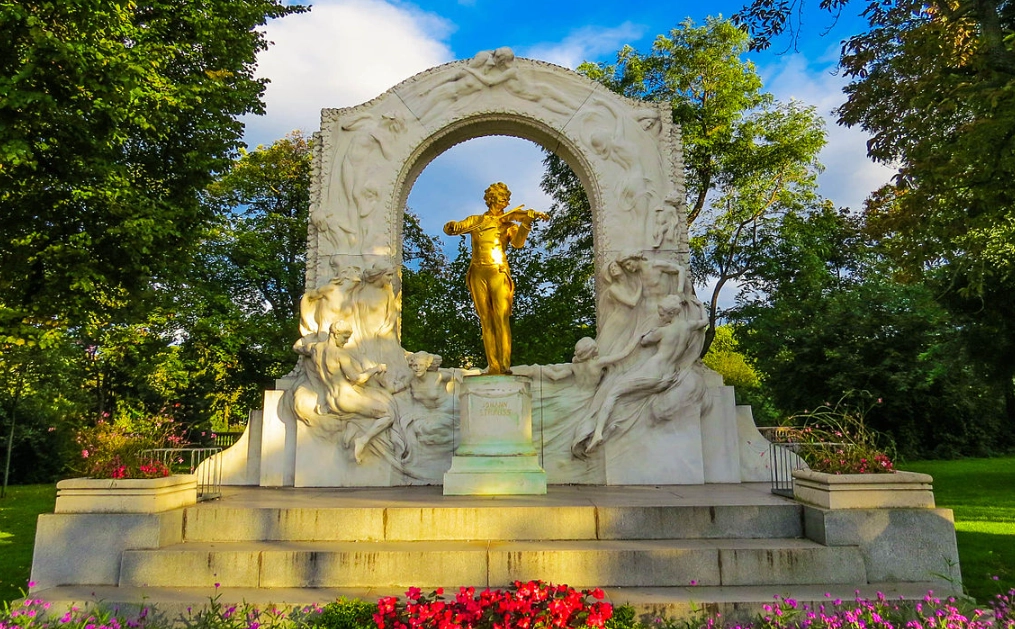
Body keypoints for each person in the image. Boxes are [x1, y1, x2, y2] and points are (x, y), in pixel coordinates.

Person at [443, 182, 548, 374]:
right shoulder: (476, 220)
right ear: (492, 199)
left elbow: (518, 243)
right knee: (485, 319)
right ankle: (493, 366)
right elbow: (455, 228)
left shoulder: (508, 224)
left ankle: (505, 365)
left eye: (507, 199)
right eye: (502, 198)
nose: (506, 202)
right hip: (477, 272)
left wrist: (526, 222)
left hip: (498, 271)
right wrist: (451, 226)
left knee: (501, 318)